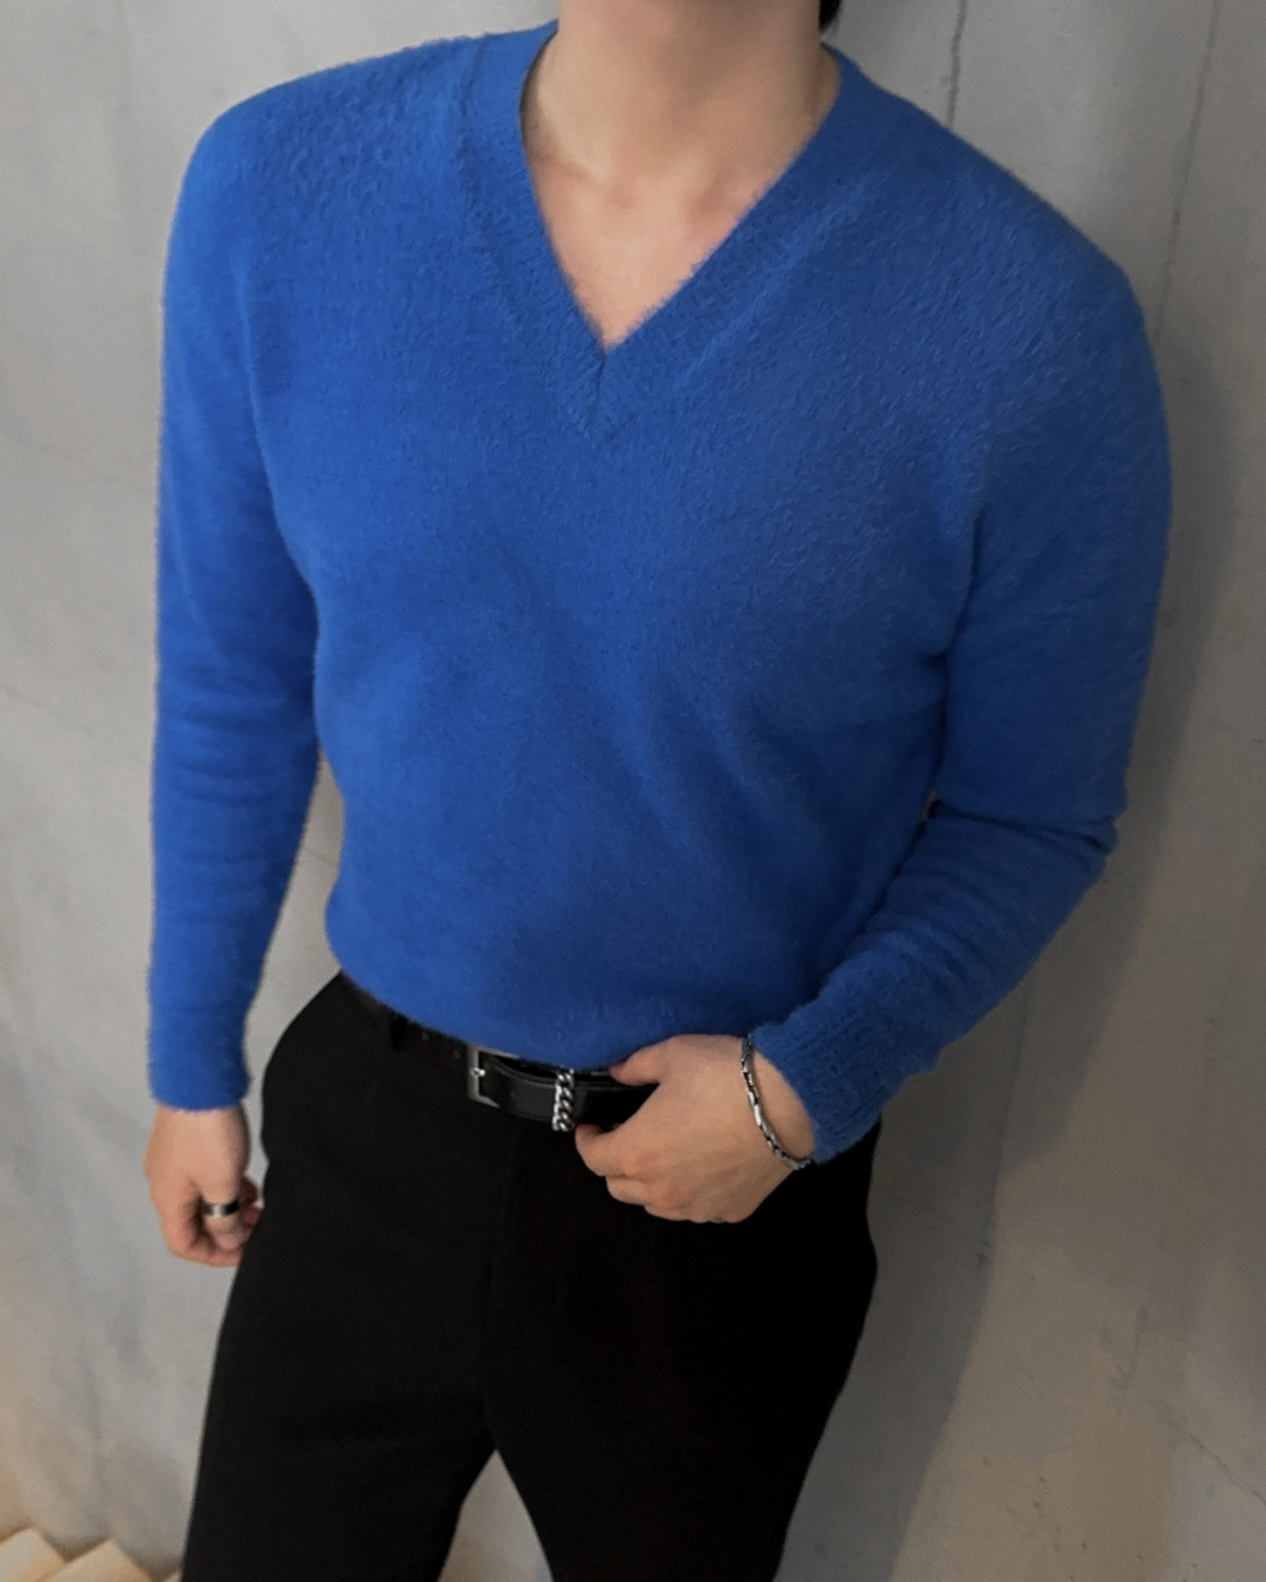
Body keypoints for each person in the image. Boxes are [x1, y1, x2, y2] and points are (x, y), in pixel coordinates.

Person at [140, 0, 1171, 1577]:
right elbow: (234, 672)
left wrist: (800, 1088)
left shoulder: (1028, 328)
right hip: (367, 1131)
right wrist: (187, 1057)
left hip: (719, 1192)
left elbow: (1029, 813)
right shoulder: (282, 190)